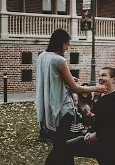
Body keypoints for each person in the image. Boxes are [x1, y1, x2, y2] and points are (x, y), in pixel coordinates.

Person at [35, 29, 107, 165]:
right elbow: (75, 88)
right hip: (62, 110)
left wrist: (66, 78)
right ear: (60, 43)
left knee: (61, 145)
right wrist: (96, 88)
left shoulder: (42, 57)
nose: (68, 47)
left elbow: (50, 78)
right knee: (62, 147)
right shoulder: (58, 60)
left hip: (48, 108)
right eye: (67, 44)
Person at [63, 67, 115, 165]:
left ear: (113, 79)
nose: (100, 78)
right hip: (98, 142)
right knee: (66, 147)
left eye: (104, 75)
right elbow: (97, 122)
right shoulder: (101, 99)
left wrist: (97, 135)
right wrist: (89, 132)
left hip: (112, 147)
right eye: (99, 75)